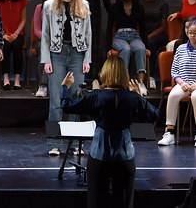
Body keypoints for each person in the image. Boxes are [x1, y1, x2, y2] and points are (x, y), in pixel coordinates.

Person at [59, 56, 159, 208]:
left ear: (105, 73)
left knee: (96, 203)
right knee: (125, 203)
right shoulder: (132, 98)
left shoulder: (95, 96)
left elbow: (66, 105)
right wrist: (138, 97)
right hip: (125, 157)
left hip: (99, 156)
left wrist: (65, 87)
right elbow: (154, 115)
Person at [42, 0, 92, 155]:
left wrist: (87, 58)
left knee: (75, 99)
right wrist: (46, 59)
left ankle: (74, 143)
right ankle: (54, 143)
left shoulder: (83, 4)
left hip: (77, 54)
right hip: (57, 52)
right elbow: (45, 33)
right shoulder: (49, 5)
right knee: (55, 100)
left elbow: (88, 34)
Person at [157, 16, 196, 149]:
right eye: (190, 32)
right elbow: (174, 71)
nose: (192, 36)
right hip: (185, 83)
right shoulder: (181, 48)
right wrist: (181, 82)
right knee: (173, 95)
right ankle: (170, 132)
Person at [107, 0, 148, 95]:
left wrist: (146, 45)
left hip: (134, 35)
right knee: (126, 49)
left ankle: (140, 83)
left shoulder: (139, 7)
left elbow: (143, 29)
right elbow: (109, 28)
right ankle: (123, 82)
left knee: (140, 48)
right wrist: (108, 48)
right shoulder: (115, 7)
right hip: (120, 36)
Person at [140, 0, 169, 90]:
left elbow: (163, 26)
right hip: (143, 34)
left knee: (151, 43)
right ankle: (138, 78)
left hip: (159, 35)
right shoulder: (140, 3)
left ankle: (151, 76)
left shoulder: (162, 3)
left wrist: (149, 36)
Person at [32, 0, 56, 97]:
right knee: (44, 48)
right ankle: (42, 86)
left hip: (58, 40)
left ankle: (55, 85)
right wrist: (48, 38)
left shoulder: (64, 8)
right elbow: (37, 30)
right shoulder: (39, 8)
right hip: (43, 39)